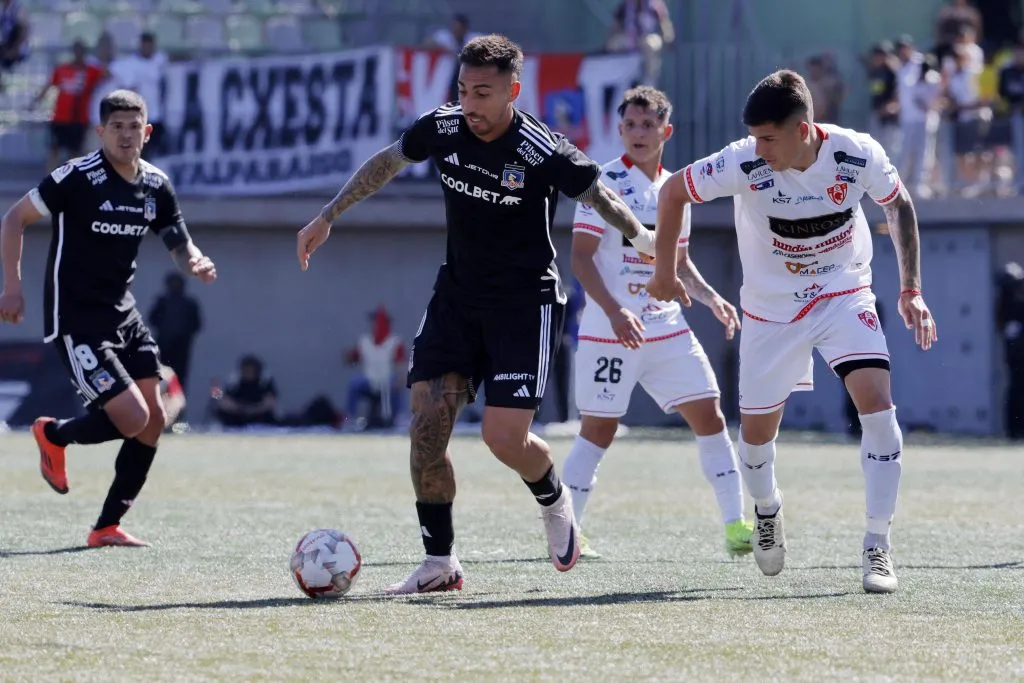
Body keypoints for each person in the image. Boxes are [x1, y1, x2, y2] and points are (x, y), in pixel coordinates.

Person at [296, 34, 657, 594]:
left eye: (483, 93)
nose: (470, 104)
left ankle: (556, 502)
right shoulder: (441, 127)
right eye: (463, 90)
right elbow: (388, 162)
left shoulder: (543, 149)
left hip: (524, 304)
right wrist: (328, 215)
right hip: (456, 300)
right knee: (425, 427)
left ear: (513, 90)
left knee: (502, 438)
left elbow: (597, 194)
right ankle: (440, 563)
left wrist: (640, 235)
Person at [647, 70, 937, 594]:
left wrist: (910, 289)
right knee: (755, 440)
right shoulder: (743, 160)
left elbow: (897, 204)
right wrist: (664, 270)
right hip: (770, 313)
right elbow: (672, 192)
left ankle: (878, 547)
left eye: (769, 137)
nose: (760, 148)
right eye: (755, 137)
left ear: (803, 129)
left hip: (843, 294)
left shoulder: (856, 153)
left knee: (879, 408)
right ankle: (767, 508)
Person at [0, 89, 217, 548]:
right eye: (115, 126)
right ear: (100, 132)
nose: (125, 134)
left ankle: (105, 527)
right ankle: (53, 434)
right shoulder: (77, 177)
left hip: (125, 314)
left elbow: (178, 240)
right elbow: (14, 219)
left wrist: (195, 261)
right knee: (133, 417)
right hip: (76, 318)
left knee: (155, 417)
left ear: (147, 132)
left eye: (133, 126)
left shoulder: (156, 184)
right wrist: (13, 288)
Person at [563, 85, 753, 560]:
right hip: (612, 330)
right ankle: (566, 531)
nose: (638, 133)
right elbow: (581, 260)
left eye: (648, 125)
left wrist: (711, 299)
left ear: (666, 131)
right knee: (598, 430)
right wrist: (613, 310)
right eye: (630, 124)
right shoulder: (600, 183)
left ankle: (736, 526)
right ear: (620, 129)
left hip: (665, 326)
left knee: (710, 414)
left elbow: (678, 263)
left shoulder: (675, 190)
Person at [33, 40, 106, 171]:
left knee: (75, 153)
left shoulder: (91, 71)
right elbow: (49, 85)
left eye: (81, 51)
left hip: (79, 119)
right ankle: (50, 181)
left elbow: (108, 74)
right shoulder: (62, 69)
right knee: (54, 149)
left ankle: (72, 181)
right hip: (60, 117)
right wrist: (37, 100)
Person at [344, 305, 405, 428]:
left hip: (388, 381)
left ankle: (399, 417)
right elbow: (352, 359)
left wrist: (400, 381)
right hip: (369, 381)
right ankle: (349, 418)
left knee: (396, 383)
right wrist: (349, 356)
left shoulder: (395, 342)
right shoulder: (365, 341)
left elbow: (401, 366)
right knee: (354, 384)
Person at [148, 271, 202, 395]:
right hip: (164, 345)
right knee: (161, 376)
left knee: (179, 378)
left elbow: (196, 324)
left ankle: (177, 406)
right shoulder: (162, 302)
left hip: (181, 347)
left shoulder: (189, 304)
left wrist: (182, 334)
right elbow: (153, 319)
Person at [211, 355, 278, 428]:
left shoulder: (265, 381)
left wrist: (253, 410)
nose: (248, 373)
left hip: (259, 415)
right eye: (246, 370)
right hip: (237, 414)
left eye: (251, 371)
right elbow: (223, 401)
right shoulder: (233, 380)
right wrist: (241, 409)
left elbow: (270, 402)